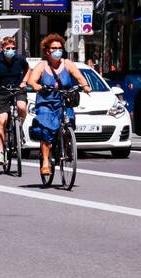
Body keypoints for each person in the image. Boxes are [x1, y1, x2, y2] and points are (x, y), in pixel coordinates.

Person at [24, 33, 91, 177]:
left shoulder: (67, 64)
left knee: (69, 123)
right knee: (46, 132)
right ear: (47, 51)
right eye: (54, 48)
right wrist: (36, 86)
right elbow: (31, 81)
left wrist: (85, 86)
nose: (57, 51)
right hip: (46, 103)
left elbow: (79, 76)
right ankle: (46, 162)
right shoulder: (42, 65)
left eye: (60, 48)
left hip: (63, 101)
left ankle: (66, 145)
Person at [0, 35, 30, 166]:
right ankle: (1, 152)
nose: (11, 50)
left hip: (17, 89)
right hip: (0, 91)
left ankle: (19, 129)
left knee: (21, 107)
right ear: (2, 48)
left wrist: (24, 81)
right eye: (8, 48)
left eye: (13, 48)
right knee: (2, 119)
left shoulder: (20, 59)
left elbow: (28, 69)